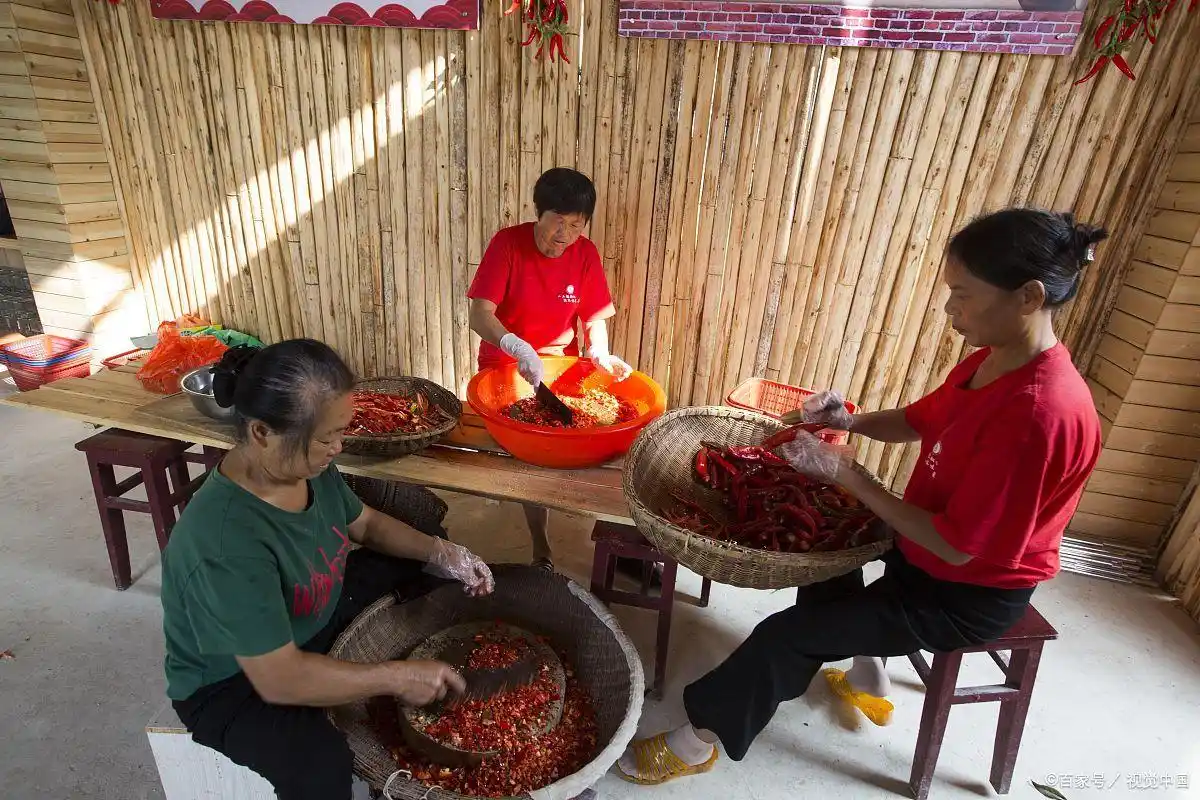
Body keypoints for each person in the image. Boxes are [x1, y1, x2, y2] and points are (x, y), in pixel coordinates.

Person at [616, 208, 1106, 785]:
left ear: (1028, 296)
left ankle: (698, 740)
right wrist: (849, 422)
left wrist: (849, 477)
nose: (951, 311)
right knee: (817, 550)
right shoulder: (995, 359)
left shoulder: (1039, 415)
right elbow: (921, 419)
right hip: (918, 549)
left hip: (961, 594)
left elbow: (956, 547)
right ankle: (865, 656)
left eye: (963, 295)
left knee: (785, 636)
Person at [160, 339, 495, 800]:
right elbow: (281, 678)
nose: (338, 448)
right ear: (261, 432)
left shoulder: (305, 468)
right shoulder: (225, 543)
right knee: (322, 770)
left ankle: (366, 649)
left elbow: (367, 524)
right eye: (326, 438)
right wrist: (397, 676)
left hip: (308, 611)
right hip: (235, 684)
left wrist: (442, 553)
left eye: (341, 432)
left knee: (420, 548)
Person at [468, 167, 632, 570]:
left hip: (560, 365)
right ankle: (541, 543)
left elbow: (594, 317)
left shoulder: (585, 254)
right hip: (506, 363)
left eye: (576, 226)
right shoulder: (507, 244)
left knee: (582, 434)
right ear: (538, 212)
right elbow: (480, 314)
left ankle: (608, 529)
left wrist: (599, 352)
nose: (565, 235)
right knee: (530, 450)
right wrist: (514, 344)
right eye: (557, 222)